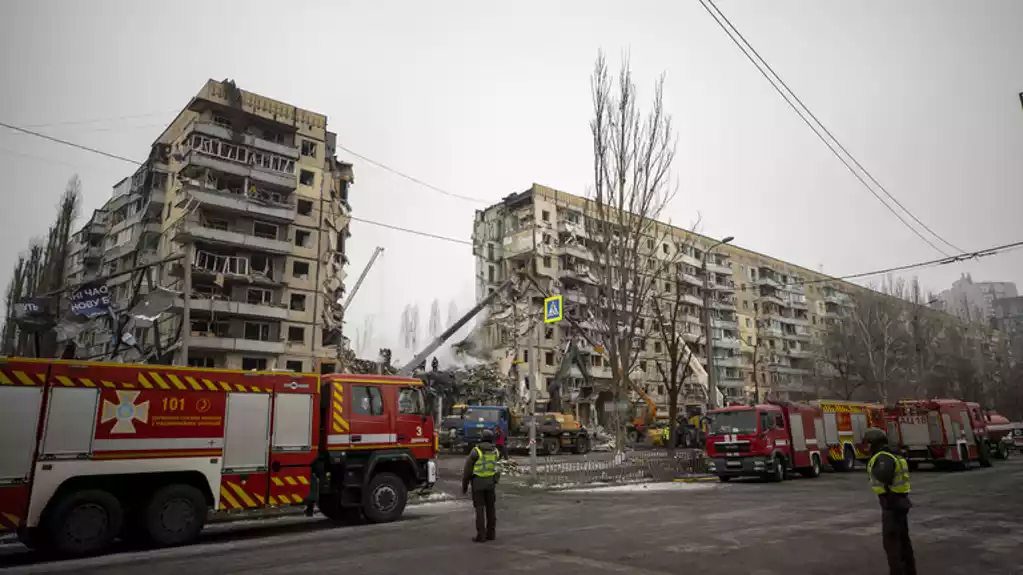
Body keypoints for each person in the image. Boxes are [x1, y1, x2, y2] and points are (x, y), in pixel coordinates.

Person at [865, 428, 917, 575]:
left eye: (868, 443)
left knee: (892, 544)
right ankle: (909, 571)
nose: (867, 447)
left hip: (891, 502)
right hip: (899, 501)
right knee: (903, 542)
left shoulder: (882, 457)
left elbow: (885, 475)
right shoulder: (893, 454)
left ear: (874, 443)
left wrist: (873, 470)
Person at [461, 429, 501, 543]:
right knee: (491, 509)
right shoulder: (496, 452)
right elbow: (497, 467)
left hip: (478, 484)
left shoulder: (476, 451)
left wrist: (464, 486)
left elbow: (467, 471)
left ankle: (481, 535)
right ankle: (491, 533)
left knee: (479, 509)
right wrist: (495, 480)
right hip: (490, 484)